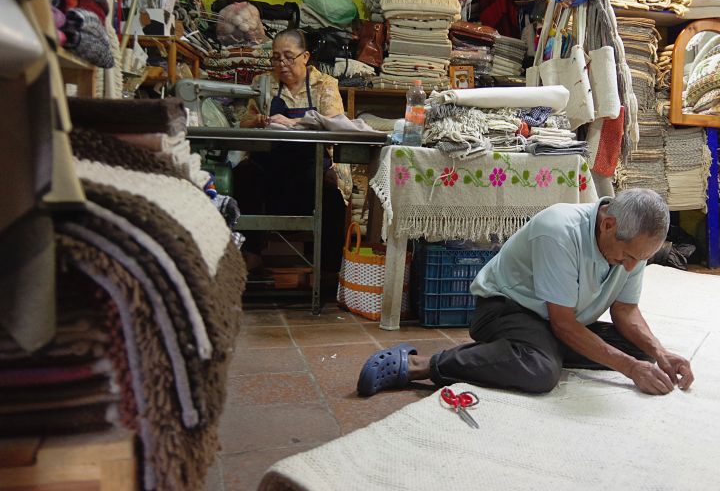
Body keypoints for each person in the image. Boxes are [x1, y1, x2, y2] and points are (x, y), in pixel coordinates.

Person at [356, 189, 695, 397]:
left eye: (641, 260)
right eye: (630, 257)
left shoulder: (629, 246)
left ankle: (524, 352)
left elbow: (625, 310)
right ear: (608, 224)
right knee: (541, 370)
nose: (632, 267)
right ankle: (421, 364)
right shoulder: (559, 229)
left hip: (558, 319)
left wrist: (659, 352)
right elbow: (562, 324)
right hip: (507, 310)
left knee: (641, 353)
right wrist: (629, 368)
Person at [232, 29, 349, 284]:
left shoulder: (325, 85)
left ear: (305, 56)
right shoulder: (264, 83)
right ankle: (252, 254)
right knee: (243, 175)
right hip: (269, 168)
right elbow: (243, 122)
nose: (281, 64)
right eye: (276, 58)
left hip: (308, 168)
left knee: (331, 198)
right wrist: (257, 121)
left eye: (288, 57)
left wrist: (293, 122)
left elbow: (334, 125)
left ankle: (328, 271)